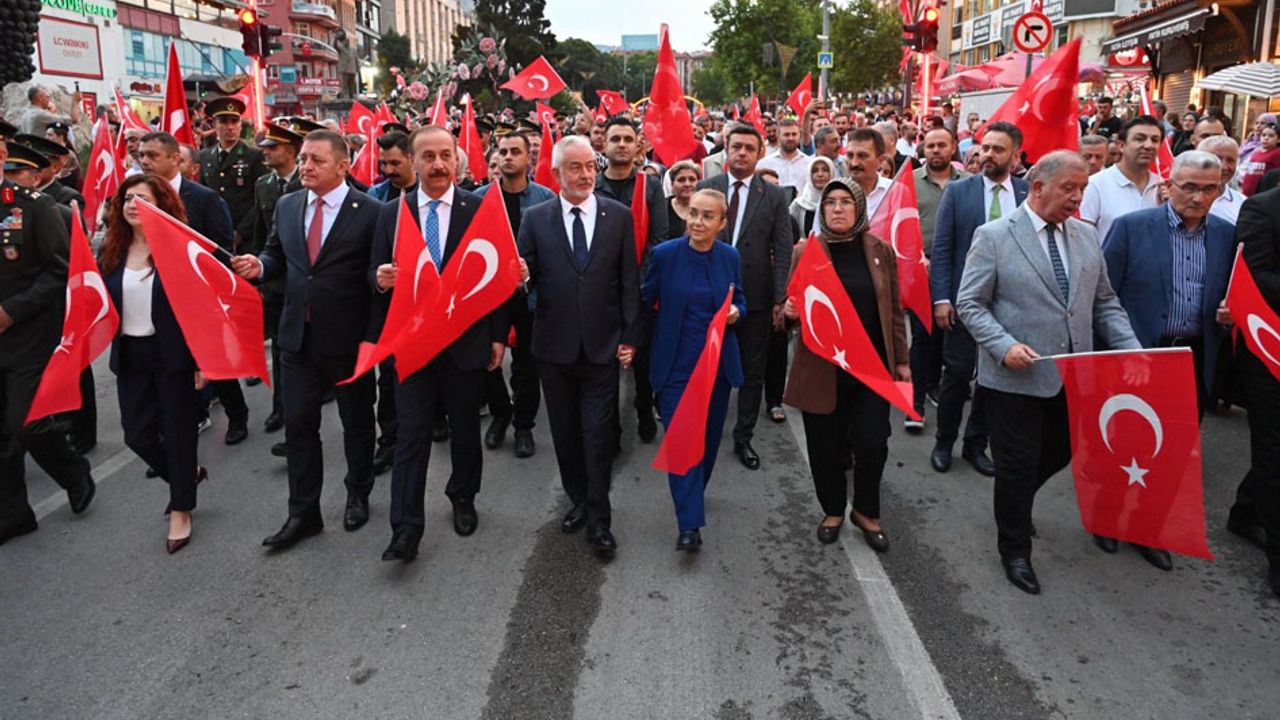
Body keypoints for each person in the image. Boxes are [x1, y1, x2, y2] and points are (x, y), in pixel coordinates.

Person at [957, 151, 1141, 595]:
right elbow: (970, 303)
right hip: (1015, 379)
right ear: (1038, 187)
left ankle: (1016, 500)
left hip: (1073, 378)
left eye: (1083, 189)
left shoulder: (1086, 235)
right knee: (1017, 465)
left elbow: (1104, 302)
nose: (1077, 198)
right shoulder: (994, 236)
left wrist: (1133, 350)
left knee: (1059, 452)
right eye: (1069, 188)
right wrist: (1003, 346)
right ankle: (1015, 549)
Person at [230, 130, 383, 551]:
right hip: (297, 338)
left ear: (343, 166)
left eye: (317, 160)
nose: (306, 167)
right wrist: (260, 266)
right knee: (298, 424)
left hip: (349, 340)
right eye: (303, 160)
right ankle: (303, 513)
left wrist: (373, 336)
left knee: (356, 423)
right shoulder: (288, 204)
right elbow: (276, 255)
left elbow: (375, 277)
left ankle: (358, 493)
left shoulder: (371, 212)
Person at [369, 126, 506, 563]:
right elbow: (372, 273)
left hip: (465, 343)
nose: (438, 164)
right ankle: (405, 528)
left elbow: (496, 277)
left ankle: (463, 496)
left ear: (456, 159)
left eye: (446, 155)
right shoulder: (392, 214)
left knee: (464, 429)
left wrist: (498, 336)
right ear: (413, 161)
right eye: (428, 156)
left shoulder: (478, 209)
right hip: (413, 347)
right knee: (411, 436)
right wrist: (380, 280)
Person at [516, 135, 640, 556]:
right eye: (576, 167)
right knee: (566, 434)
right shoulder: (535, 219)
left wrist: (630, 336)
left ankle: (600, 520)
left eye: (591, 166)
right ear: (555, 174)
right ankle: (579, 500)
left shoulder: (617, 216)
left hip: (602, 347)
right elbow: (526, 277)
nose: (586, 174)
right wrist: (520, 275)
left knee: (597, 434)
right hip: (553, 348)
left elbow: (629, 281)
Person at [782, 178, 909, 550]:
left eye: (845, 202)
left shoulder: (880, 251)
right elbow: (789, 309)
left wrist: (902, 361)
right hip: (823, 369)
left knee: (873, 443)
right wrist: (789, 313)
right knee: (825, 446)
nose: (837, 208)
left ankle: (866, 511)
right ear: (821, 210)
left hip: (871, 370)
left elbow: (894, 310)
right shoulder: (806, 251)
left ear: (859, 208)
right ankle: (834, 509)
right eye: (830, 202)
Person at [100, 175, 209, 554]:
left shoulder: (180, 248)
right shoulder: (112, 250)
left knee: (179, 434)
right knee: (138, 435)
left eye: (143, 198)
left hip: (173, 356)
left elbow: (198, 309)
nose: (133, 204)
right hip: (131, 356)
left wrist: (201, 359)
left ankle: (181, 508)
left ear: (162, 206)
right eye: (128, 198)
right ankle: (186, 476)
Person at [0, 126, 97, 546]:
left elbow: (59, 272)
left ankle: (73, 472)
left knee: (27, 422)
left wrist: (10, 311)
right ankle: (14, 514)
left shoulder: (33, 207)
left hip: (27, 334)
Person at [642, 189, 746, 551]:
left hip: (716, 367)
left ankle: (692, 493)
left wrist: (737, 312)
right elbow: (645, 301)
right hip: (676, 367)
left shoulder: (730, 257)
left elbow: (740, 297)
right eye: (693, 213)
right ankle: (689, 526)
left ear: (722, 223)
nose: (697, 222)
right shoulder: (665, 255)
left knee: (709, 441)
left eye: (707, 216)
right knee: (682, 440)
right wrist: (630, 344)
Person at [928, 121, 1027, 477]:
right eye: (985, 147)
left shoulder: (1027, 193)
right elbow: (942, 249)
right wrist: (942, 297)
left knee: (992, 380)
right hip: (965, 303)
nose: (988, 155)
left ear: (1015, 156)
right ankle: (944, 441)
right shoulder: (959, 192)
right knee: (957, 374)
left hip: (1011, 305)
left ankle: (975, 444)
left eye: (998, 149)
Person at [138, 131, 249, 446]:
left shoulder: (203, 199)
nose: (144, 161)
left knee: (213, 359)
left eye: (152, 155)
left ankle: (237, 414)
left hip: (199, 294)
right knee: (169, 364)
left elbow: (222, 249)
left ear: (175, 159)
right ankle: (180, 426)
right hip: (154, 294)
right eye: (141, 155)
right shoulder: (136, 197)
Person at [695, 123, 793, 471]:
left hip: (756, 297)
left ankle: (743, 437)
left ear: (759, 153)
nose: (741, 153)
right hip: (708, 294)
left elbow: (783, 248)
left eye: (749, 148)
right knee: (706, 365)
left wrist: (780, 297)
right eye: (736, 146)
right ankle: (702, 428)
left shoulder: (774, 196)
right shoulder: (706, 188)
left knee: (753, 370)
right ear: (726, 147)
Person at [475, 132, 557, 459]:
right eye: (503, 151)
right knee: (487, 360)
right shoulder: (479, 198)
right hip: (489, 295)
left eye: (515, 151)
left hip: (530, 295)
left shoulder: (546, 199)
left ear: (528, 159)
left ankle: (523, 425)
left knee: (528, 364)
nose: (508, 157)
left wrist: (532, 275)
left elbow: (553, 249)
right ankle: (500, 414)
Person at [594, 117, 669, 446]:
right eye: (615, 139)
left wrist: (635, 282)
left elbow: (659, 239)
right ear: (604, 144)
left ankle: (643, 410)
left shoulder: (650, 187)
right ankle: (610, 429)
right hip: (601, 293)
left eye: (627, 139)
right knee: (604, 364)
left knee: (642, 361)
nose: (622, 145)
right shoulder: (593, 186)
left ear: (637, 145)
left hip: (640, 290)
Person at [1229, 184, 1280, 598]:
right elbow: (1254, 276)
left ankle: (1245, 511)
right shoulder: (1262, 209)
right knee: (1273, 451)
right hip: (1268, 348)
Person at [247, 123, 303, 442]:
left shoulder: (308, 183)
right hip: (276, 283)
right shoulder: (263, 185)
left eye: (273, 147)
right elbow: (262, 233)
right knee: (283, 349)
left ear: (291, 152)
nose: (265, 152)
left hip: (305, 283)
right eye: (265, 147)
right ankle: (281, 407)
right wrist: (259, 272)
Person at [908, 127, 966, 432]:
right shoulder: (909, 183)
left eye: (941, 145)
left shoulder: (969, 183)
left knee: (950, 335)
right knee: (922, 336)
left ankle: (935, 385)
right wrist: (918, 256)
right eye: (930, 145)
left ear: (953, 147)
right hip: (923, 269)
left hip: (961, 272)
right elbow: (901, 225)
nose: (935, 150)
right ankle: (914, 402)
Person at [1080, 115, 1164, 243]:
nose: (1148, 145)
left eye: (1155, 140)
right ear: (1121, 145)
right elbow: (1081, 239)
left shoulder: (1164, 187)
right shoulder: (1095, 185)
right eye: (1140, 139)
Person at [197, 97, 265, 249]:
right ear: (214, 125)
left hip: (246, 236)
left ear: (240, 125)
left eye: (235, 122)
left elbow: (261, 199)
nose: (230, 127)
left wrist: (241, 232)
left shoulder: (255, 156)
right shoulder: (204, 156)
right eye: (224, 122)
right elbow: (202, 193)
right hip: (213, 232)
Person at [845, 128, 894, 218]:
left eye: (862, 156)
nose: (854, 163)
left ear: (880, 160)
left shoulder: (896, 192)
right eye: (850, 155)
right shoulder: (833, 193)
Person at [1200, 136, 1245, 225]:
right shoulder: (1179, 198)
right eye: (1216, 159)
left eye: (1231, 161)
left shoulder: (1242, 203)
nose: (1224, 167)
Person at [788, 156, 834, 239]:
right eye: (815, 171)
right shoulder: (799, 205)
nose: (820, 174)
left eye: (825, 170)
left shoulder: (838, 203)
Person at [758, 118, 809, 192]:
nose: (790, 138)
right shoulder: (764, 164)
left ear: (799, 136)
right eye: (786, 135)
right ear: (778, 136)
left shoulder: (809, 163)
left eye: (794, 134)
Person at [368, 131, 417, 203]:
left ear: (411, 159)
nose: (388, 171)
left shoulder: (430, 192)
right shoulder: (374, 194)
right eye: (384, 163)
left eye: (395, 163)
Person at [665, 160, 701, 239]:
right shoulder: (662, 207)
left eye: (692, 179)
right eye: (681, 180)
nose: (687, 184)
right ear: (672, 184)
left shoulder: (706, 206)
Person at [1241, 124, 1279, 197]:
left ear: (1278, 139)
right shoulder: (1256, 153)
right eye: (1263, 135)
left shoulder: (1277, 153)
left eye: (1271, 136)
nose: (1266, 138)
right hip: (1247, 192)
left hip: (1262, 194)